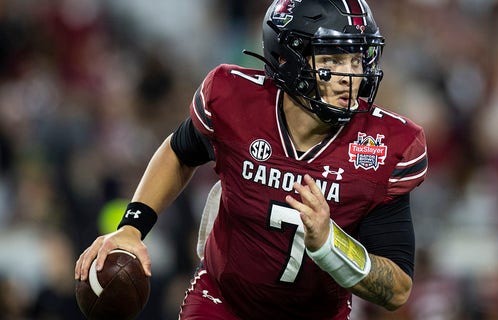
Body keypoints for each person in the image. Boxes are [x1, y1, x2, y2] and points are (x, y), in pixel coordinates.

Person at [74, 0, 428, 319]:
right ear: (289, 58)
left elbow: (398, 289)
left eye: (356, 58)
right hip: (223, 302)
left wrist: (331, 244)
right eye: (333, 59)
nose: (351, 76)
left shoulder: (383, 145)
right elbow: (179, 152)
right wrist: (132, 228)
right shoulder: (235, 99)